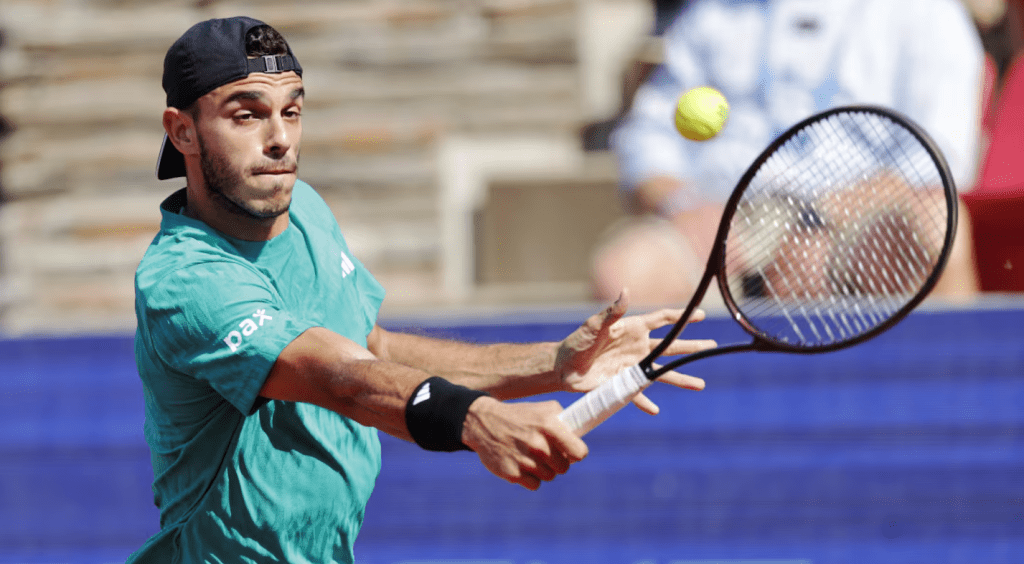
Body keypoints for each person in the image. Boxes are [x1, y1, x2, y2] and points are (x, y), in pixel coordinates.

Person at [129, 17, 716, 563]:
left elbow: (370, 347)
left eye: (293, 110)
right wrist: (475, 419)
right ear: (182, 130)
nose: (280, 139)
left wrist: (553, 364)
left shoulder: (304, 210)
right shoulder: (184, 281)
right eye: (247, 115)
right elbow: (342, 377)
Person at [593, 0, 986, 304]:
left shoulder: (928, 12)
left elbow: (940, 160)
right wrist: (684, 205)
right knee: (627, 273)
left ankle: (957, 408)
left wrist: (818, 225)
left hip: (855, 217)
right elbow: (646, 136)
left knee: (938, 235)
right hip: (730, 218)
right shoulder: (712, 13)